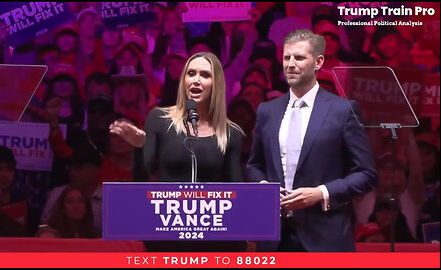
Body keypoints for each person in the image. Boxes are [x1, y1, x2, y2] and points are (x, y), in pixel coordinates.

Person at [247, 29, 378, 251]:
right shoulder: (267, 111)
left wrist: (321, 192)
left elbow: (366, 175)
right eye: (286, 57)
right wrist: (264, 188)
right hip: (275, 237)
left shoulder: (343, 110)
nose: (290, 64)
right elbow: (254, 165)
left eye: (299, 58)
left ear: (318, 62)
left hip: (325, 237)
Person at [110, 52, 246, 251]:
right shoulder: (159, 119)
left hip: (215, 237)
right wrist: (139, 147)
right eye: (191, 73)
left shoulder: (230, 133)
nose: (196, 80)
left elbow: (237, 189)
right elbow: (140, 177)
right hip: (167, 233)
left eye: (205, 75)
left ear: (217, 83)